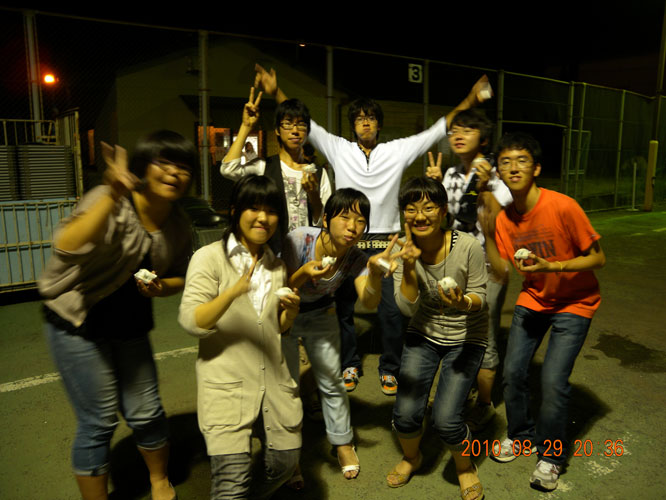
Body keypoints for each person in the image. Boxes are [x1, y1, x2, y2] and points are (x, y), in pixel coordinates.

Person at [254, 63, 491, 395]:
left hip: (386, 241)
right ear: (353, 126)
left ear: (379, 124)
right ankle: (350, 364)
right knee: (343, 308)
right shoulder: (339, 148)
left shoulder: (396, 151)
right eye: (359, 118)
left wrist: (470, 98)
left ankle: (389, 368)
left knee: (391, 312)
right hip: (349, 240)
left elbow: (436, 130)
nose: (365, 122)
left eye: (370, 118)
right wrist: (275, 91)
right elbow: (307, 123)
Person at [38, 130, 198, 500]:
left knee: (148, 411)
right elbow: (66, 244)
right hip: (77, 323)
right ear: (143, 167)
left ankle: (159, 480)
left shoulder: (178, 225)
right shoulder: (111, 198)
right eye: (164, 162)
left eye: (183, 167)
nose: (174, 173)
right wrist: (112, 195)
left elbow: (181, 275)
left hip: (130, 326)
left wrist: (162, 287)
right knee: (98, 420)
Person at [479, 132, 605, 491]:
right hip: (534, 299)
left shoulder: (563, 206)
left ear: (536, 168)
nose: (513, 167)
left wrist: (554, 266)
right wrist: (489, 233)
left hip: (575, 303)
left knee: (552, 381)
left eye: (521, 160)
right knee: (513, 372)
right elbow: (502, 271)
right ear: (499, 171)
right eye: (505, 162)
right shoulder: (505, 219)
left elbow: (598, 258)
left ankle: (551, 456)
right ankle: (521, 436)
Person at [178, 174, 302, 500]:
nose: (263, 218)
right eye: (254, 208)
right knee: (232, 485)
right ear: (235, 210)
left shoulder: (276, 266)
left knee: (285, 463)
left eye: (271, 211)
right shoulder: (209, 258)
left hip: (273, 384)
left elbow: (276, 328)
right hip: (227, 386)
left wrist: (290, 313)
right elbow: (190, 320)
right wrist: (232, 293)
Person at [282, 188, 397, 481]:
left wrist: (374, 273)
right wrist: (305, 273)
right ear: (326, 219)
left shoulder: (356, 257)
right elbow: (282, 286)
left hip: (321, 312)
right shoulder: (299, 239)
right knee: (286, 385)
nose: (352, 227)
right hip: (284, 312)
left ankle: (343, 442)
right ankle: (289, 452)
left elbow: (368, 301)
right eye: (344, 217)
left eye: (360, 221)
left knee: (332, 382)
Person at [387, 177, 487, 500]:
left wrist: (462, 303)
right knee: (405, 414)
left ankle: (464, 466)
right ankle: (412, 457)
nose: (420, 216)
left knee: (446, 420)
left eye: (429, 208)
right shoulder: (403, 250)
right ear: (404, 214)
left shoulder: (468, 246)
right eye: (411, 209)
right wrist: (409, 265)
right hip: (424, 333)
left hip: (467, 336)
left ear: (443, 211)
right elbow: (406, 308)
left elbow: (481, 296)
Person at [426, 108, 512, 431]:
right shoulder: (450, 174)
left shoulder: (497, 178)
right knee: (456, 330)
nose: (458, 135)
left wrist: (485, 185)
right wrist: (436, 186)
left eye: (468, 130)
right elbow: (448, 220)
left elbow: (500, 218)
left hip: (488, 266)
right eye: (454, 131)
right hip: (456, 263)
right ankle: (462, 390)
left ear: (484, 139)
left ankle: (485, 404)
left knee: (484, 335)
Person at [220, 86, 331, 253]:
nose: (295, 131)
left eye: (301, 125)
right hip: (271, 253)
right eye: (288, 124)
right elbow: (228, 169)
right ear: (278, 130)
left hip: (307, 254)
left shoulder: (318, 173)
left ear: (307, 131)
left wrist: (314, 195)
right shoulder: (264, 166)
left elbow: (325, 221)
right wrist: (246, 126)